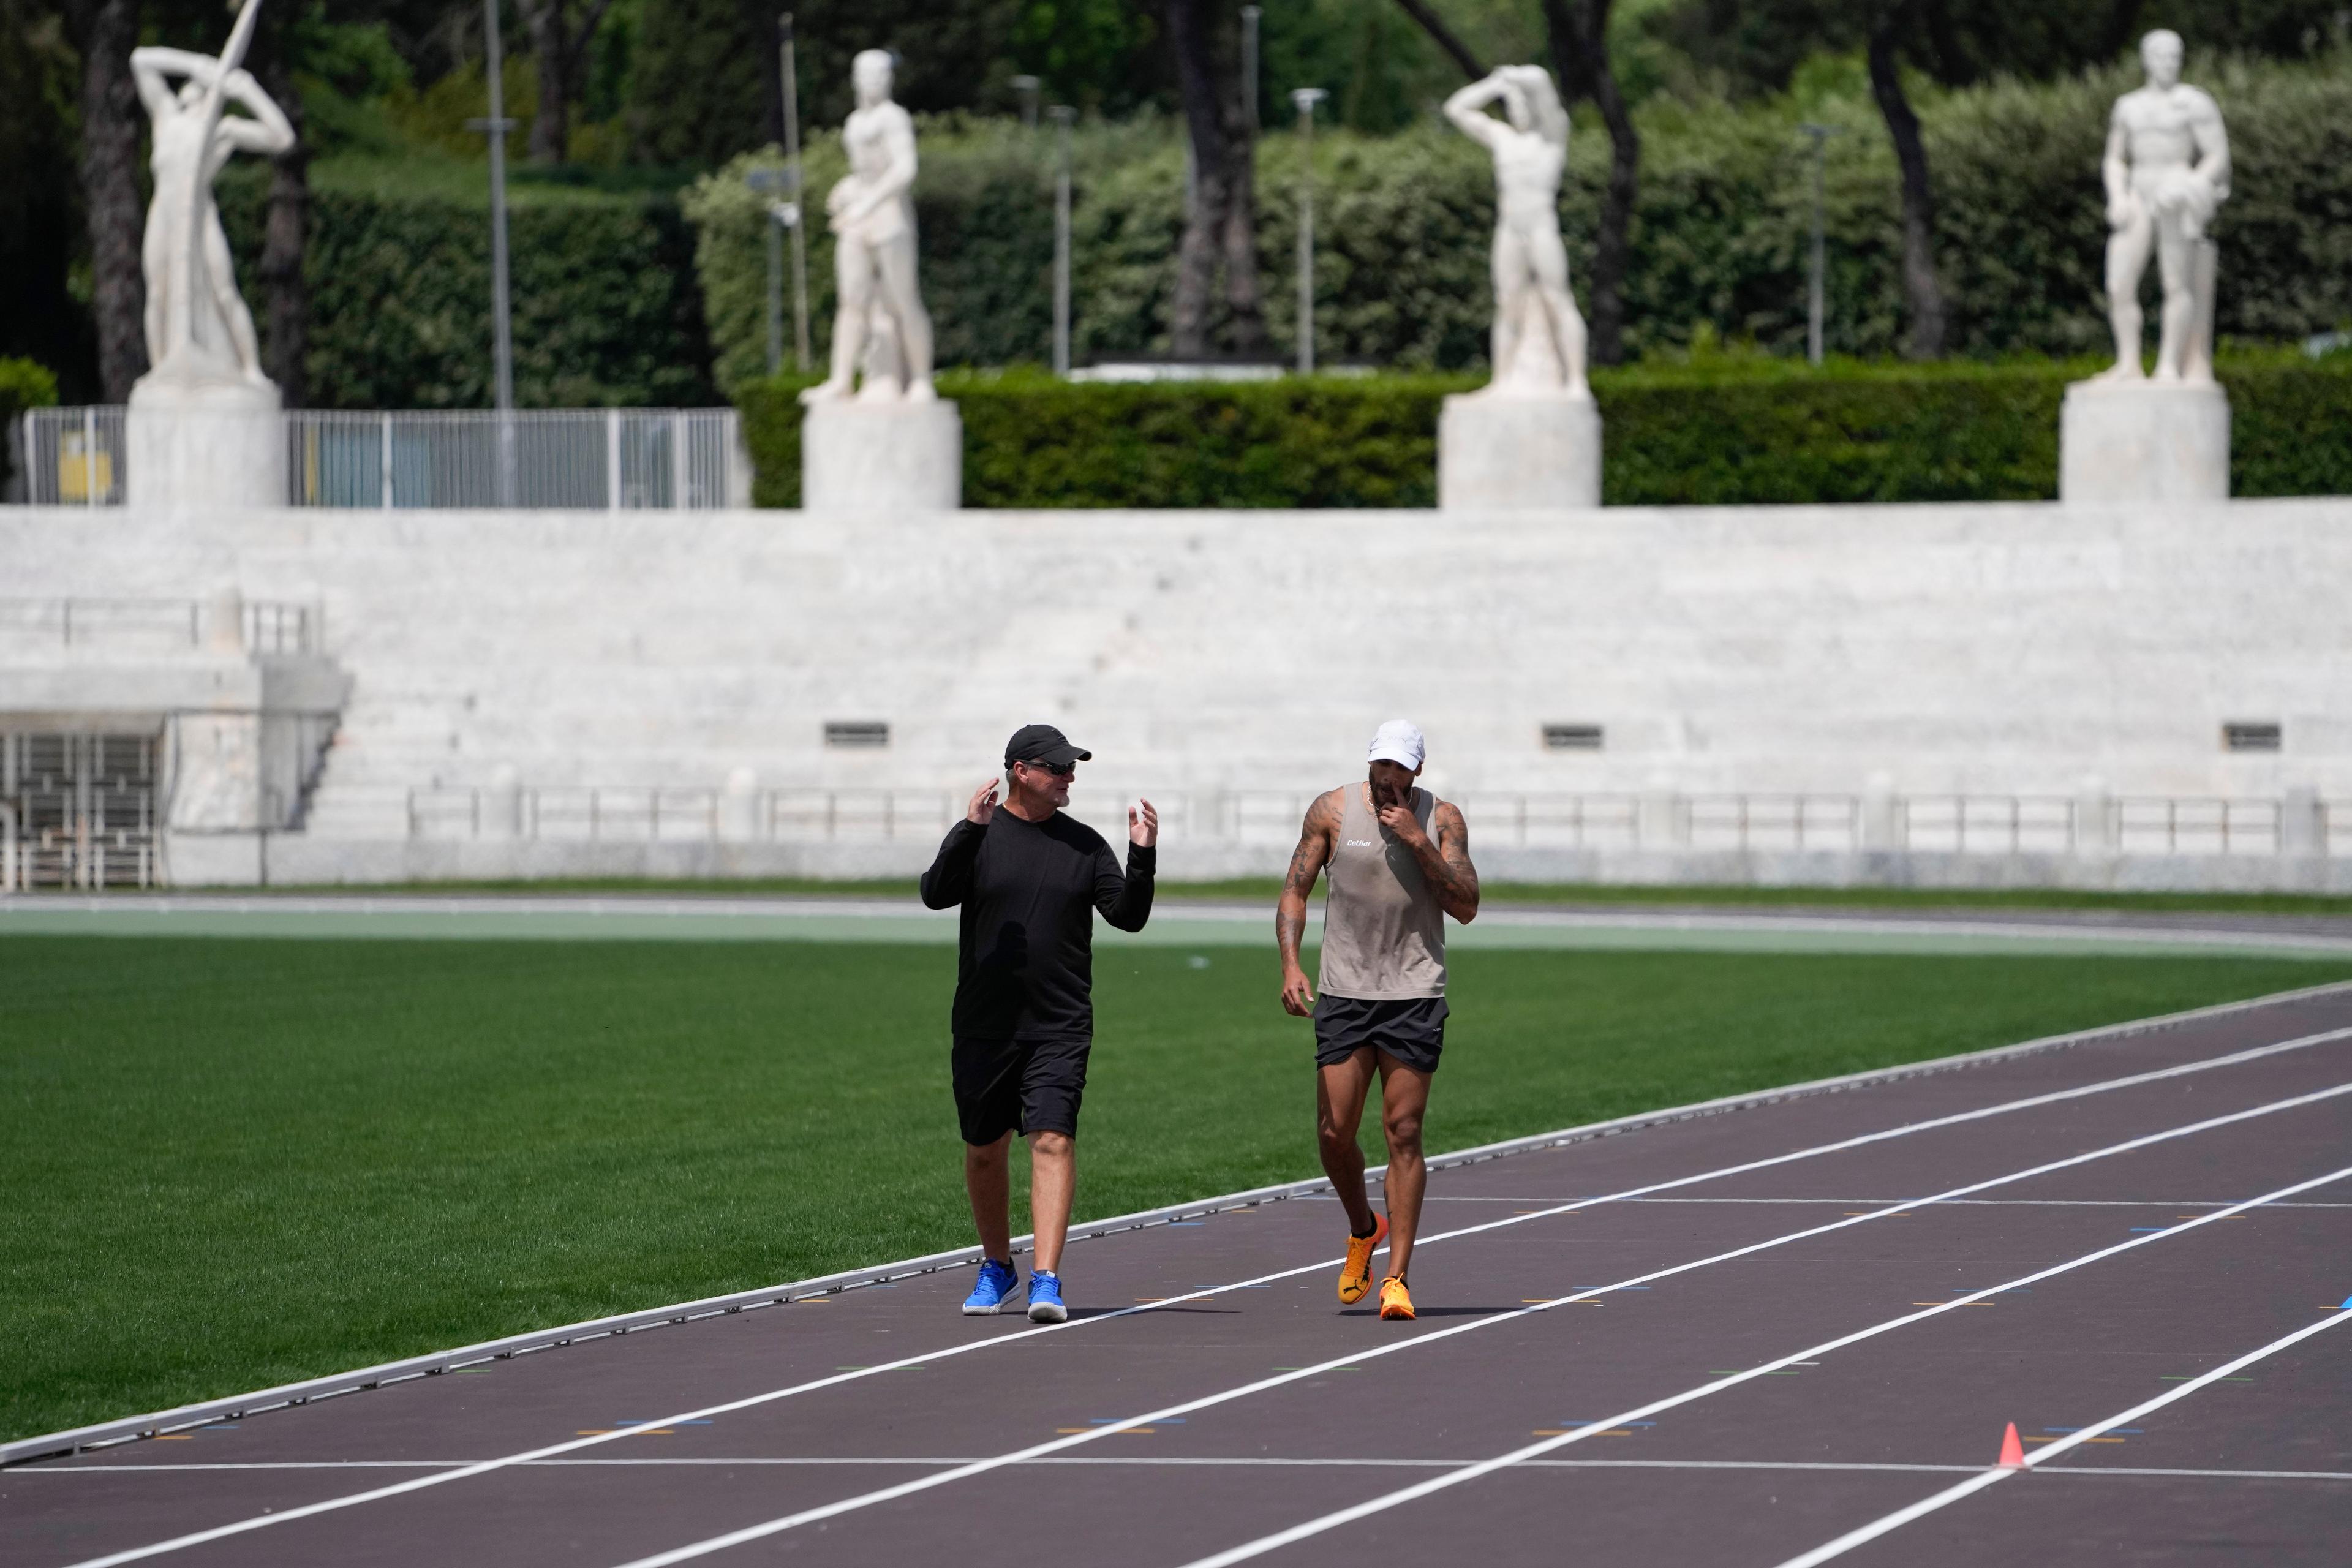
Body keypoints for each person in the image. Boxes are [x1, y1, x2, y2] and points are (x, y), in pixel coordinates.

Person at [921, 723, 1157, 1322]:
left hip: (1060, 1025)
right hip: (984, 1024)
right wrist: (967, 830)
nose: (1069, 776)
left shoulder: (1084, 845)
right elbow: (935, 892)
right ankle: (998, 1266)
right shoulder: (982, 836)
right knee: (983, 1151)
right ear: (1021, 771)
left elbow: (1128, 916)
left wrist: (1143, 853)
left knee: (1052, 1139)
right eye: (1057, 767)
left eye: (1072, 767)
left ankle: (1047, 1278)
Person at [1276, 720, 1479, 1321]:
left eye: (1399, 769)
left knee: (1404, 1130)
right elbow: (1295, 890)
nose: (1387, 778)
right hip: (1345, 991)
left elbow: (1466, 906)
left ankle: (1397, 1277)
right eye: (1379, 767)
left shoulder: (1442, 820)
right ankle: (1364, 1227)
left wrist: (1418, 841)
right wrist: (1290, 964)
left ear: (1417, 770)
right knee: (1335, 1132)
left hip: (1414, 991)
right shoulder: (1332, 811)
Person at [801, 49, 937, 403]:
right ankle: (841, 379)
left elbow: (905, 168)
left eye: (880, 74)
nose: (874, 80)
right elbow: (863, 171)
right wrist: (847, 190)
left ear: (889, 79)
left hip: (890, 214)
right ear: (855, 78)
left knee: (904, 300)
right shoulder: (854, 122)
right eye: (866, 73)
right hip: (859, 214)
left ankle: (922, 379)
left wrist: (868, 202)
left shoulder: (894, 118)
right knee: (851, 300)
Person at [1442, 65, 1587, 398]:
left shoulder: (1552, 135)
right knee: (1507, 303)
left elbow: (1542, 85)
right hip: (1510, 229)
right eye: (1514, 105)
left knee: (1558, 299)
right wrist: (1495, 85)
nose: (1519, 110)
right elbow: (1455, 108)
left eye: (1525, 103)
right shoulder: (1502, 139)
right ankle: (1502, 379)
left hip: (1540, 227)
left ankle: (1576, 381)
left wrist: (1515, 76)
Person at [2097, 30, 2231, 384]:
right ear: (2146, 59)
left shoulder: (2194, 103)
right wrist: (2117, 195)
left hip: (2175, 193)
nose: (2169, 63)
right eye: (2162, 56)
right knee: (2118, 286)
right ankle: (2128, 363)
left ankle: (2169, 365)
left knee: (2177, 284)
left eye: (2175, 56)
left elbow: (2218, 156)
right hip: (2139, 193)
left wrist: (2188, 184)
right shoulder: (2128, 106)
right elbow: (2115, 159)